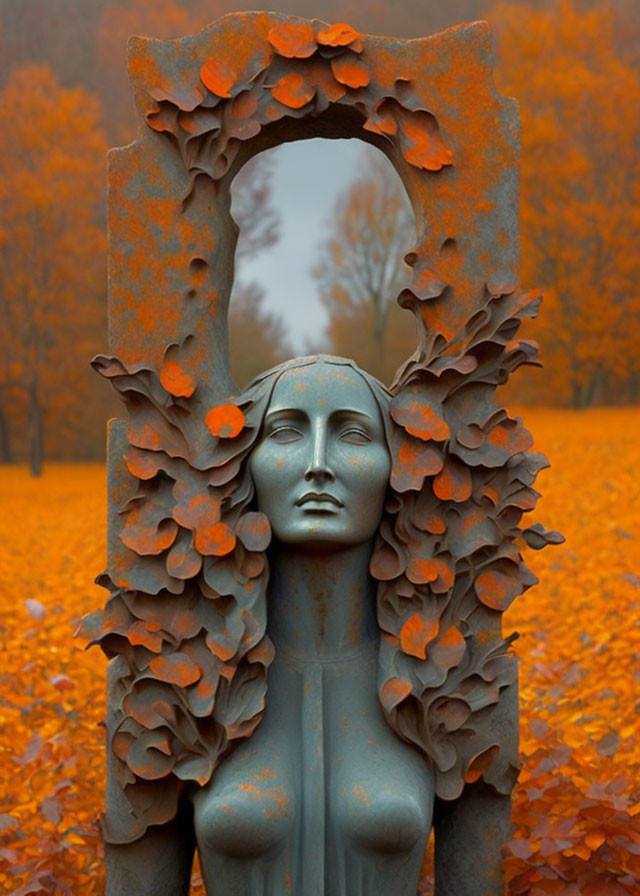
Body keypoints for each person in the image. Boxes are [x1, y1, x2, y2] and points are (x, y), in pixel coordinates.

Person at [100, 355, 517, 896]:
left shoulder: (460, 683)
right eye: (287, 432)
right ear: (241, 463)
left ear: (399, 466)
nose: (318, 463)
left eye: (352, 434)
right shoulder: (165, 682)